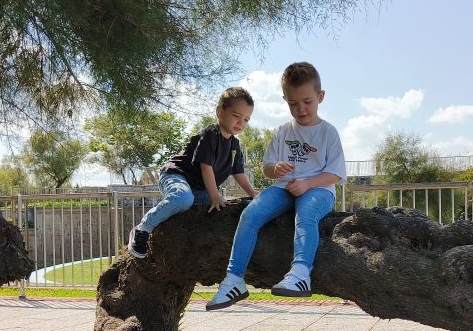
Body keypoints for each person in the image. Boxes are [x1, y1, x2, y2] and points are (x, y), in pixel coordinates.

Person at [207, 61, 346, 310]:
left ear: (320, 97)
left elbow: (335, 174)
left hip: (319, 190)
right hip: (284, 188)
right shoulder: (283, 131)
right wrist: (276, 169)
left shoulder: (328, 132)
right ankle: (234, 280)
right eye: (293, 103)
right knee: (250, 213)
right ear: (285, 99)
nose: (301, 109)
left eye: (307, 102)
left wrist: (307, 184)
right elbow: (267, 168)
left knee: (306, 215)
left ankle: (301, 273)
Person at [127, 87, 258, 258]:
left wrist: (253, 193)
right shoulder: (210, 134)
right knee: (183, 198)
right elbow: (206, 167)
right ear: (220, 112)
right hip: (178, 176)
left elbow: (238, 173)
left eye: (246, 119)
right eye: (236, 116)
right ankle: (143, 228)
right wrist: (215, 195)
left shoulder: (235, 146)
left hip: (199, 188)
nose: (241, 123)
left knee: (223, 207)